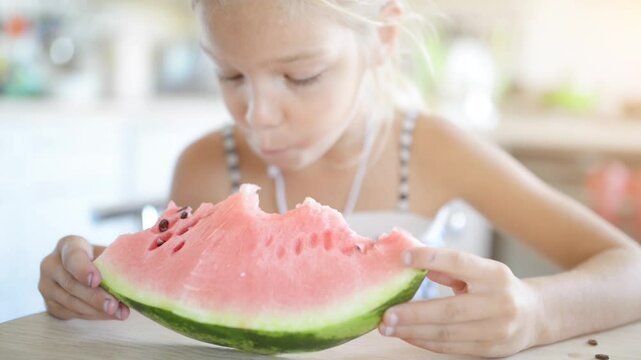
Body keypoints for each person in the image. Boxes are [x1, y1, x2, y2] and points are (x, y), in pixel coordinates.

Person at [38, 0, 641, 357]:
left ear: (380, 39)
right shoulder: (203, 165)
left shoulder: (431, 150)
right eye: (229, 76)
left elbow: (630, 270)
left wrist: (535, 311)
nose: (257, 114)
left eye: (300, 78)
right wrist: (91, 279)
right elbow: (176, 297)